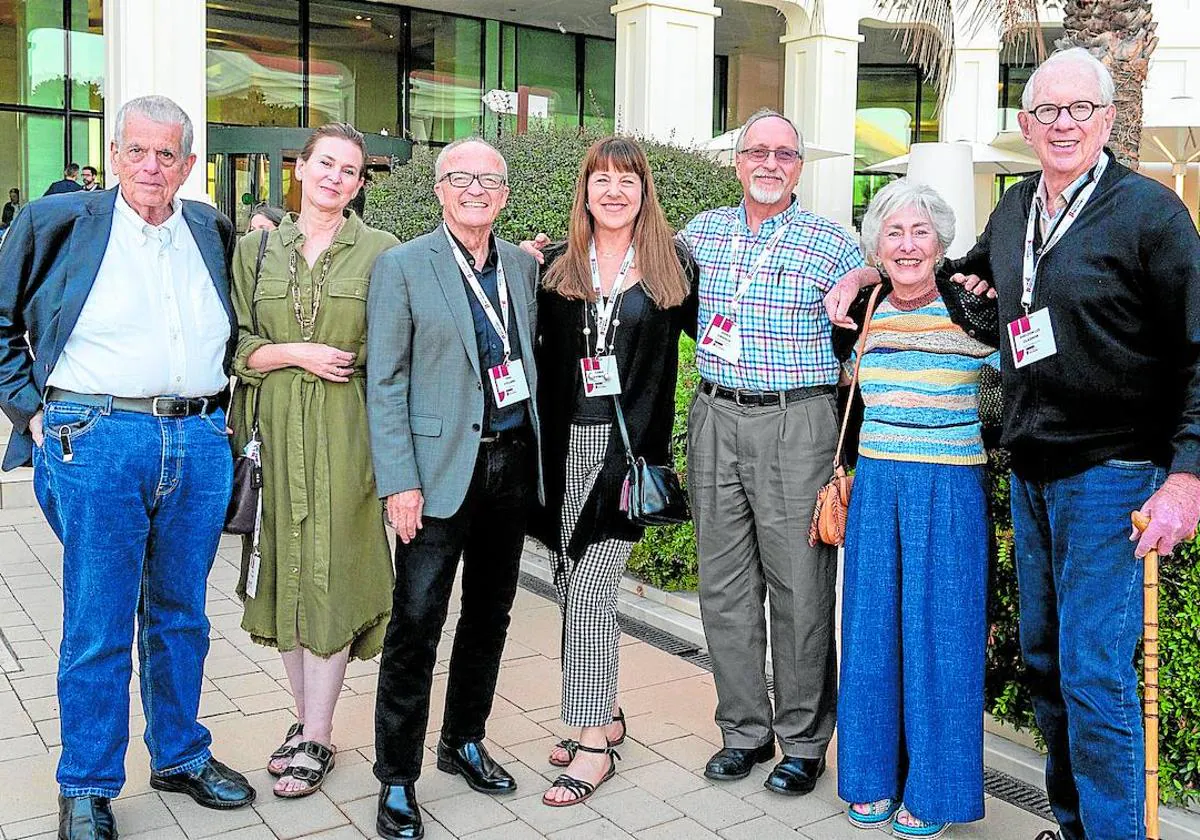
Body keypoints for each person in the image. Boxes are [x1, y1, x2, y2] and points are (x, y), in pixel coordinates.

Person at [827, 48, 1200, 840]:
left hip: (1114, 472)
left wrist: (1188, 475)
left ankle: (1112, 834)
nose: (1063, 125)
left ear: (1106, 119)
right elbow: (948, 269)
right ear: (1026, 125)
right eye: (1047, 112)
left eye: (1080, 110)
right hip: (1032, 471)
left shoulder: (1151, 215)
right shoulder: (1016, 206)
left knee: (1094, 673)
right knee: (1045, 662)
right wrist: (864, 277)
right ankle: (1071, 825)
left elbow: (1196, 351)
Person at [0, 95, 255, 840]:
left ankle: (179, 754)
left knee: (183, 615)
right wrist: (33, 412)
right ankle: (85, 784)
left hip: (200, 438)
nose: (152, 166)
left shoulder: (209, 227)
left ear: (188, 162)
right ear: (115, 154)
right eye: (137, 151)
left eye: (167, 154)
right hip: (98, 438)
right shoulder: (57, 223)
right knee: (99, 618)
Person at [681, 108, 865, 795]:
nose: (769, 164)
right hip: (715, 413)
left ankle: (805, 740)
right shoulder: (700, 232)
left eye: (784, 155)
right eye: (757, 152)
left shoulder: (831, 241)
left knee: (799, 587)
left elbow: (894, 273)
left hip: (798, 421)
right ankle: (744, 732)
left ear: (800, 167)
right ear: (737, 161)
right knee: (724, 585)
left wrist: (866, 271)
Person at [367, 137, 543, 840]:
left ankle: (463, 739)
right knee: (416, 623)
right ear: (439, 190)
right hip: (434, 478)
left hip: (510, 468)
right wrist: (399, 482)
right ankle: (397, 778)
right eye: (462, 178)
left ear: (505, 195)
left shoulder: (525, 267)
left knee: (491, 616)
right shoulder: (403, 266)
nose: (477, 189)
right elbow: (386, 382)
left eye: (490, 180)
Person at [229, 123, 398, 799]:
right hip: (274, 436)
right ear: (301, 169)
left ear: (360, 184)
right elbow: (237, 344)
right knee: (289, 579)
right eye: (325, 163)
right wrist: (291, 353)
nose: (335, 177)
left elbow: (392, 359)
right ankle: (305, 722)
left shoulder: (383, 252)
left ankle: (319, 735)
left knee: (333, 577)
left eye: (350, 170)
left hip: (346, 436)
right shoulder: (255, 251)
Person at [531, 137, 697, 807]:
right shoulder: (555, 267)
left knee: (596, 588)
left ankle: (593, 739)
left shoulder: (670, 268)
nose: (613, 191)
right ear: (585, 191)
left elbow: (729, 330)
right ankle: (607, 710)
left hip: (625, 457)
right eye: (600, 179)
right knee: (569, 583)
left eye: (626, 181)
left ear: (643, 191)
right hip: (562, 447)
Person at [832, 180, 999, 838]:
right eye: (893, 233)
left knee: (942, 641)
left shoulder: (970, 304)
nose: (906, 244)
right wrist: (855, 276)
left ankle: (936, 791)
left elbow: (1030, 357)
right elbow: (845, 381)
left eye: (920, 232)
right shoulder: (866, 304)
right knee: (869, 634)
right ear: (876, 245)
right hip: (876, 483)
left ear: (941, 243)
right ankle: (869, 777)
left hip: (949, 486)